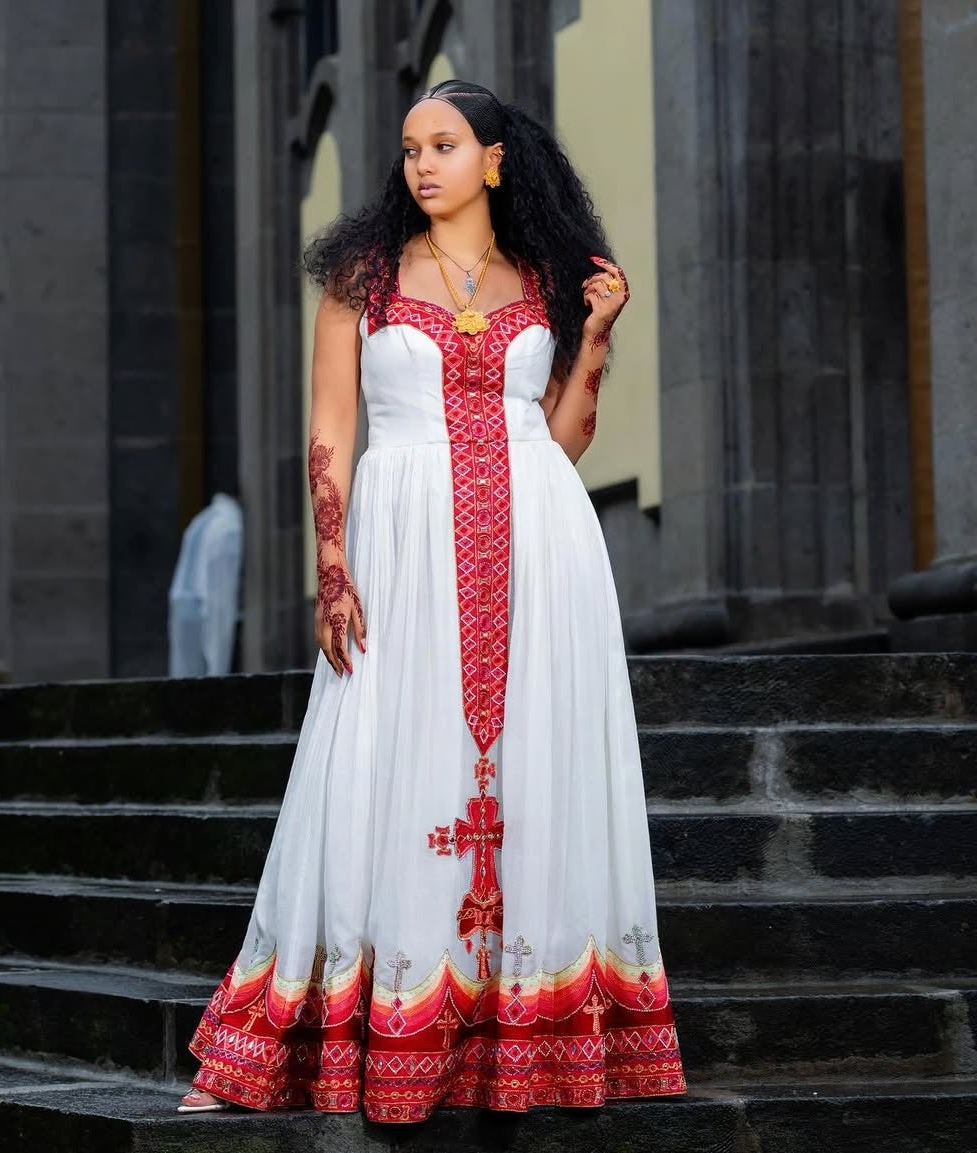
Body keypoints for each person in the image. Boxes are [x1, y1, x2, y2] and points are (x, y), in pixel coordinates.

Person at [179, 79, 686, 1122]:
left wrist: (593, 336)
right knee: (380, 759)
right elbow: (330, 426)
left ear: (492, 159)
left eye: (444, 144)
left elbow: (567, 436)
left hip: (541, 544)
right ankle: (327, 1036)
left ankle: (529, 1044)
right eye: (410, 147)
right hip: (403, 546)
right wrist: (332, 561)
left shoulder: (545, 276)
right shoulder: (361, 278)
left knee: (532, 771)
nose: (421, 163)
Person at [168, 492, 244, 678]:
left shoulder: (203, 519)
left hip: (184, 606)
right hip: (204, 606)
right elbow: (220, 594)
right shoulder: (229, 526)